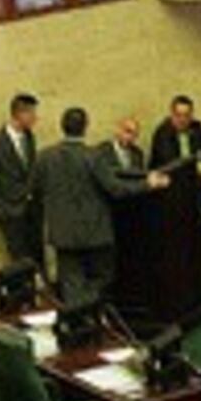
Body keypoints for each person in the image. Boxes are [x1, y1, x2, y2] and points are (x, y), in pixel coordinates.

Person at [40, 106, 164, 306]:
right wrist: (148, 184)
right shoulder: (94, 157)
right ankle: (90, 316)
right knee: (102, 278)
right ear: (85, 127)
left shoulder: (45, 157)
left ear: (62, 126)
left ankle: (77, 322)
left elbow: (37, 190)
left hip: (62, 233)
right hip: (94, 233)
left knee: (70, 282)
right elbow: (115, 189)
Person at [148, 95, 201, 273]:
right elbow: (170, 164)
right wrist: (198, 166)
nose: (183, 120)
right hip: (171, 191)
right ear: (171, 114)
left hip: (196, 188)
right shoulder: (163, 133)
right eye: (179, 115)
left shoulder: (197, 128)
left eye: (187, 115)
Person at [0, 93, 41, 265]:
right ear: (20, 114)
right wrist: (2, 210)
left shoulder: (29, 138)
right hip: (11, 211)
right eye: (32, 113)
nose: (36, 118)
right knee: (18, 260)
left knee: (37, 258)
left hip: (32, 210)